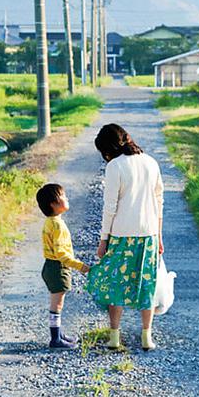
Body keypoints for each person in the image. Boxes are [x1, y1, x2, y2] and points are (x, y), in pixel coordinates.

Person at [85, 123, 164, 351]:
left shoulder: (115, 167)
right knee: (146, 283)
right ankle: (146, 337)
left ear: (108, 149)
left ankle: (114, 337)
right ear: (127, 138)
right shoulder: (151, 162)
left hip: (121, 234)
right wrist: (159, 236)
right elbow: (159, 202)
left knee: (115, 285)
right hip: (149, 233)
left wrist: (103, 241)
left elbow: (109, 208)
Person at [37, 183, 89, 350]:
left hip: (51, 266)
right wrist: (79, 266)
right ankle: (55, 339)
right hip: (57, 267)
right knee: (57, 304)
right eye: (63, 196)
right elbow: (60, 253)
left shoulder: (51, 221)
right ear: (54, 203)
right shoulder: (57, 225)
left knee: (58, 302)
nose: (67, 198)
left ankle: (59, 334)